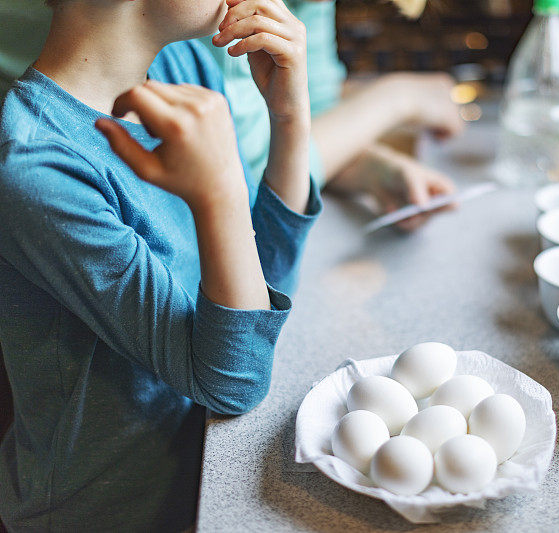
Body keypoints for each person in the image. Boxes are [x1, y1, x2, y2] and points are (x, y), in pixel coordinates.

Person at [0, 0, 319, 529]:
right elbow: (232, 381)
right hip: (111, 513)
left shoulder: (179, 73)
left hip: (206, 477)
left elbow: (257, 298)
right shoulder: (37, 168)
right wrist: (218, 192)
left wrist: (290, 117)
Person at [0, 0, 465, 231]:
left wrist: (363, 165)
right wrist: (394, 99)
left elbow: (301, 102)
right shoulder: (173, 30)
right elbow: (238, 177)